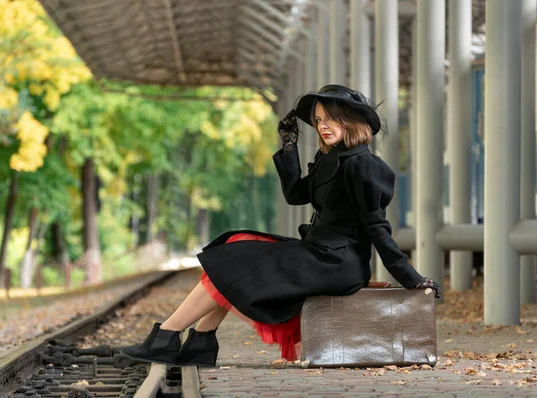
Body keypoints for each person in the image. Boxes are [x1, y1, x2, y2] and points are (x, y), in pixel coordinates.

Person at [121, 84, 441, 367]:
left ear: (351, 120)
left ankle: (166, 337)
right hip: (319, 250)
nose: (322, 126)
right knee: (235, 247)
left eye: (329, 118)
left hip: (337, 262)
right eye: (317, 120)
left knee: (237, 265)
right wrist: (289, 147)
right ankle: (201, 342)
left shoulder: (366, 167)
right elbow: (295, 195)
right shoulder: (333, 158)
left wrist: (411, 279)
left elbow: (378, 230)